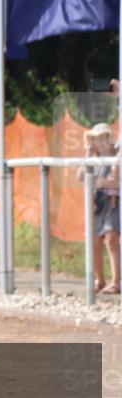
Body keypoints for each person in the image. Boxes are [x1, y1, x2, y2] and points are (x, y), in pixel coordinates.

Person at [76, 123, 120, 295]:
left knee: (111, 240)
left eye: (103, 137)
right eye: (95, 138)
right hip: (97, 203)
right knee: (93, 240)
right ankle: (100, 280)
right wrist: (88, 155)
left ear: (109, 138)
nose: (99, 142)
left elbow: (115, 179)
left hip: (113, 201)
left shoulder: (116, 156)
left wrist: (103, 182)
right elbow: (80, 176)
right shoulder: (93, 160)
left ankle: (116, 281)